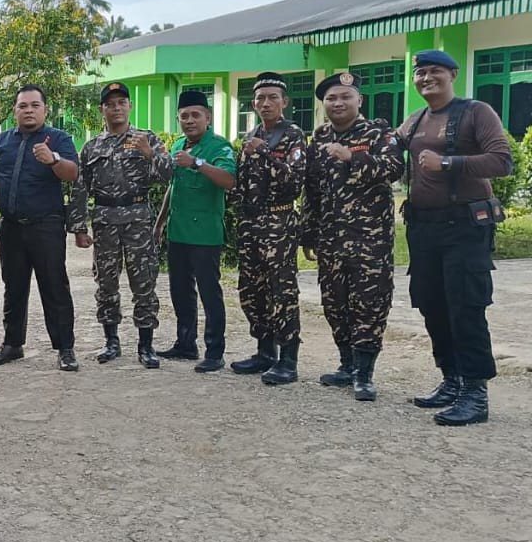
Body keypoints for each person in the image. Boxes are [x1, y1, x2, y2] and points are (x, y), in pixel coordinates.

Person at [398, 50, 513, 425]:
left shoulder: (475, 112)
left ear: (453, 74)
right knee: (431, 304)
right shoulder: (415, 120)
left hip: (465, 227)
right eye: (420, 72)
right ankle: (450, 379)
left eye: (434, 71)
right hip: (423, 228)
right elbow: (387, 151)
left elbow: (502, 161)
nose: (426, 78)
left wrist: (449, 162)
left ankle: (475, 393)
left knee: (465, 307)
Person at [302, 73, 404, 402]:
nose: (338, 103)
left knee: (370, 304)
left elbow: (394, 167)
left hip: (369, 240)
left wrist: (353, 157)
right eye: (331, 98)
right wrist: (309, 231)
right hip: (331, 238)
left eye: (345, 97)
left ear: (359, 100)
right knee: (334, 302)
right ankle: (346, 365)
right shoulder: (318, 137)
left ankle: (365, 372)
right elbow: (312, 189)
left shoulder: (377, 132)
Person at [69, 82, 171, 370]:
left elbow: (169, 176)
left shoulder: (146, 138)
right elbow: (79, 188)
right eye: (110, 104)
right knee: (106, 283)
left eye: (121, 102)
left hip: (138, 219)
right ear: (102, 110)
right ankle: (111, 341)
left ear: (129, 106)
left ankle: (146, 345)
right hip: (104, 220)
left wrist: (150, 153)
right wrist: (79, 227)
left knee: (144, 283)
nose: (116, 108)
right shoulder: (92, 147)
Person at [0, 84, 81, 371]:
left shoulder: (59, 139)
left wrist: (54, 159)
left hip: (46, 226)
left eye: (34, 105)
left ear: (45, 109)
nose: (28, 110)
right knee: (13, 287)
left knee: (54, 286)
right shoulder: (2, 142)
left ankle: (65, 347)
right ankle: (12, 344)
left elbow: (73, 173)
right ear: (15, 110)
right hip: (11, 227)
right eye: (22, 105)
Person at [230, 72, 306, 385]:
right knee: (251, 291)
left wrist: (264, 153)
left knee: (281, 291)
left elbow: (295, 180)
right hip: (251, 223)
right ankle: (264, 352)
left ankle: (288, 359)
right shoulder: (252, 135)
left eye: (272, 97)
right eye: (260, 98)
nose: (265, 103)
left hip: (279, 221)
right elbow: (241, 181)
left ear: (284, 102)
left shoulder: (293, 135)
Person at [154, 90, 236, 373]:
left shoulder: (219, 146)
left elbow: (228, 181)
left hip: (205, 235)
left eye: (195, 115)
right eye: (184, 116)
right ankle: (186, 343)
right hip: (178, 232)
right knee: (180, 290)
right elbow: (172, 187)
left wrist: (198, 164)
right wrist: (160, 221)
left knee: (209, 293)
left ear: (208, 117)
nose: (189, 121)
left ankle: (215, 351)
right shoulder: (178, 145)